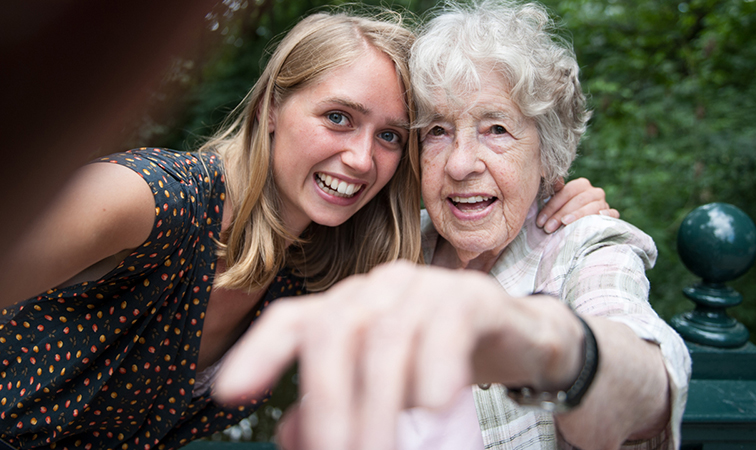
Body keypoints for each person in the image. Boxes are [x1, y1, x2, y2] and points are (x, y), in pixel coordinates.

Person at [0, 7, 612, 450]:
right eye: (339, 117)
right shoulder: (155, 200)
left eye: (392, 136)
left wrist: (552, 197)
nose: (361, 159)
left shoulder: (315, 265)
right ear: (271, 108)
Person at [214, 2, 691, 450]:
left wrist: (547, 343)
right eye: (438, 130)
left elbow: (650, 386)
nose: (461, 164)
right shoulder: (389, 242)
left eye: (496, 129)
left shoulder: (585, 248)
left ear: (549, 156)